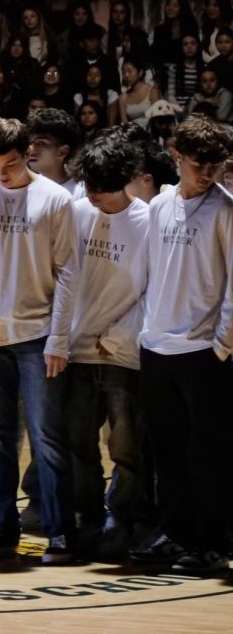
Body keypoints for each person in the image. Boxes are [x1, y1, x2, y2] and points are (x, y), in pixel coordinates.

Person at [0, 118, 76, 564]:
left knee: (48, 438)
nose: (1, 174)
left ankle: (61, 533)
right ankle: (1, 529)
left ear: (27, 153)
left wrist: (58, 339)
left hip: (38, 334)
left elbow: (68, 272)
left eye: (9, 164)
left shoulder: (56, 199)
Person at [129, 116, 233, 575]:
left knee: (206, 456)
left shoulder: (226, 210)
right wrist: (146, 330)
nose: (207, 170)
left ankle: (213, 543)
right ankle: (177, 534)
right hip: (157, 347)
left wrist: (222, 345)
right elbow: (148, 272)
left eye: (215, 162)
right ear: (176, 156)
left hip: (203, 352)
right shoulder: (158, 206)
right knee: (166, 453)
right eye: (198, 162)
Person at [58, 134, 153, 560]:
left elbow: (154, 291)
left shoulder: (149, 221)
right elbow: (61, 278)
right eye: (87, 185)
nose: (90, 194)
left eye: (99, 186)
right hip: (76, 351)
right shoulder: (76, 213)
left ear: (121, 181)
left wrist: (115, 336)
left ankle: (120, 520)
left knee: (127, 450)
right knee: (78, 445)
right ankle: (88, 518)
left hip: (122, 354)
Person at [27, 108, 85, 198]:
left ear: (62, 152)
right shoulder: (26, 187)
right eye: (29, 143)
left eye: (40, 143)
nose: (30, 150)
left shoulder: (82, 193)